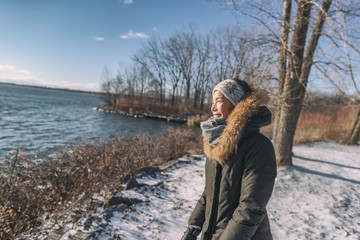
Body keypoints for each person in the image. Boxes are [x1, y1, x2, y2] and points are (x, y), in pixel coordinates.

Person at [181, 78, 277, 240]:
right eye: (212, 101)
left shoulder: (259, 146)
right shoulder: (215, 144)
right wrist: (193, 226)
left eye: (219, 101)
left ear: (238, 104)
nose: (212, 107)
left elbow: (251, 207)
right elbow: (209, 193)